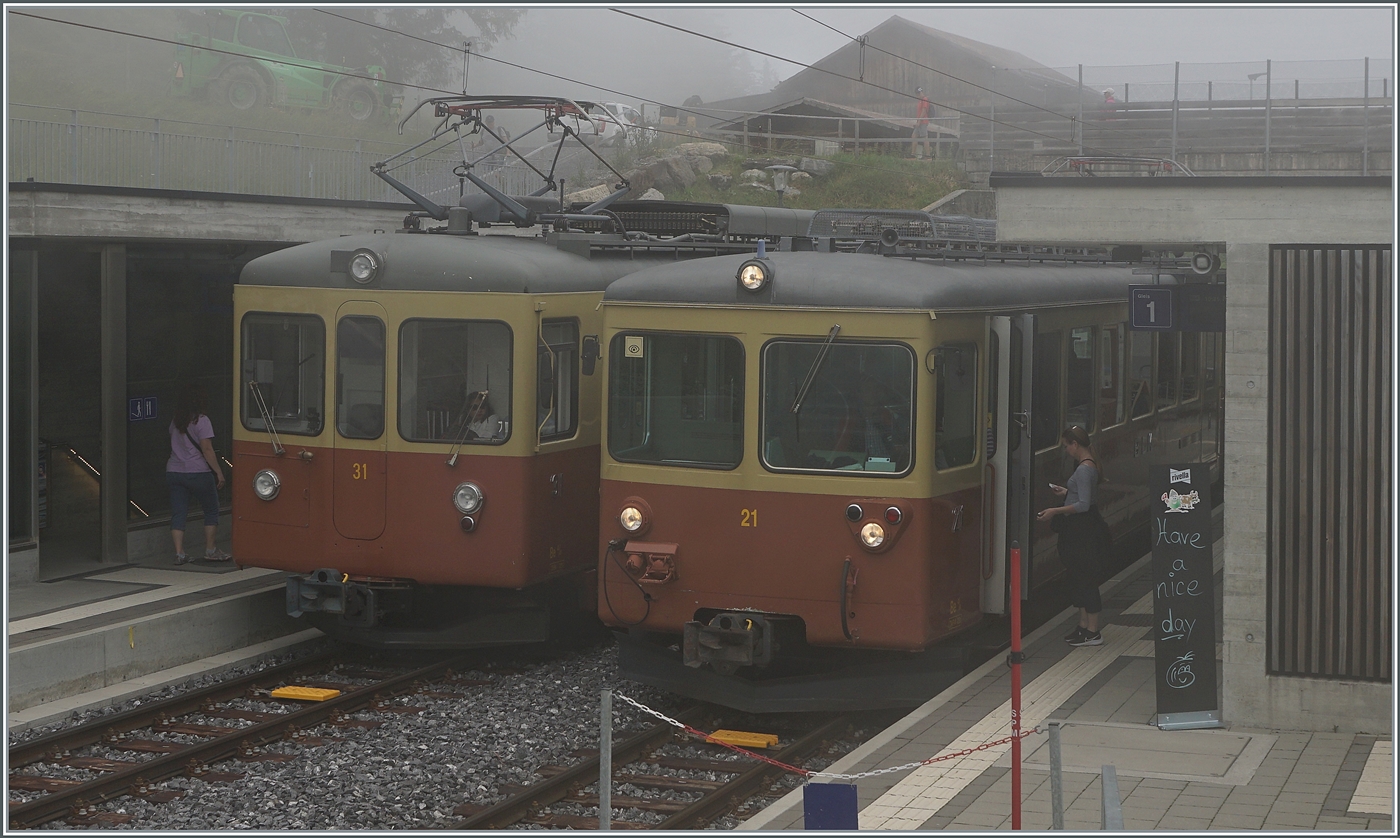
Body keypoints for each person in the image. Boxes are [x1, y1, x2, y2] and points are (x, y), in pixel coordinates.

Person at [1036, 425, 1110, 646]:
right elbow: (1082, 495)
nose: (1066, 450)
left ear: (1075, 444)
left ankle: (1093, 631)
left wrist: (1054, 511)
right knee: (1077, 576)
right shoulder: (1085, 467)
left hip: (1082, 530)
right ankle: (1083, 625)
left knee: (1085, 576)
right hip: (1078, 529)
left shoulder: (1085, 469)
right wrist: (1067, 492)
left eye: (1067, 445)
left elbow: (1085, 504)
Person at [166, 383, 230, 565]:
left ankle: (179, 553)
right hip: (198, 472)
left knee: (179, 512)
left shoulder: (175, 421)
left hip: (174, 471)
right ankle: (210, 550)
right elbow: (207, 449)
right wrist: (219, 472)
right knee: (211, 509)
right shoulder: (202, 421)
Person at [911, 86, 931, 159]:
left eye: (920, 93)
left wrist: (919, 121)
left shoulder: (925, 99)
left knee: (924, 137)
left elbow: (924, 110)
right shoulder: (920, 101)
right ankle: (912, 154)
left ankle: (928, 155)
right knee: (914, 135)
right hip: (919, 122)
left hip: (923, 121)